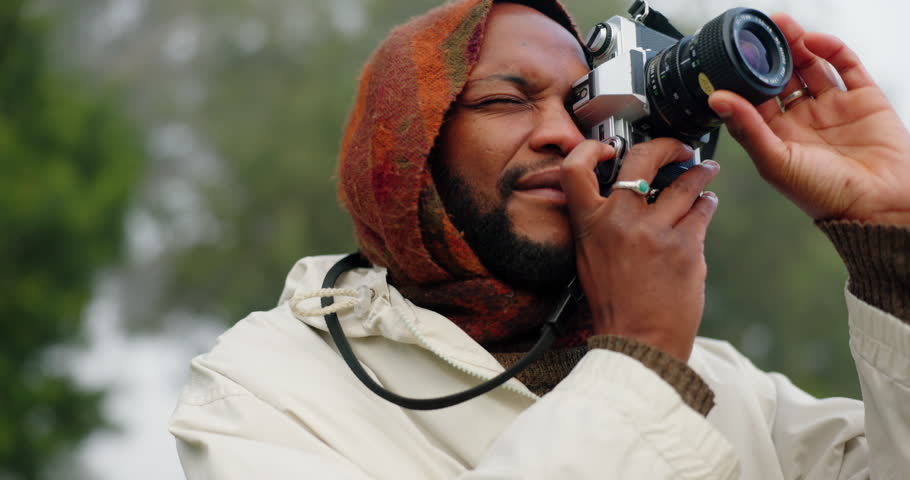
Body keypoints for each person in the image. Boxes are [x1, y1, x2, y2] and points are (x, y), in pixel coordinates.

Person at [168, 0, 910, 478]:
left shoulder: (726, 383)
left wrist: (888, 245)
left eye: (583, 104)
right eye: (504, 99)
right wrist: (640, 359)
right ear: (406, 155)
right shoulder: (267, 385)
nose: (564, 133)